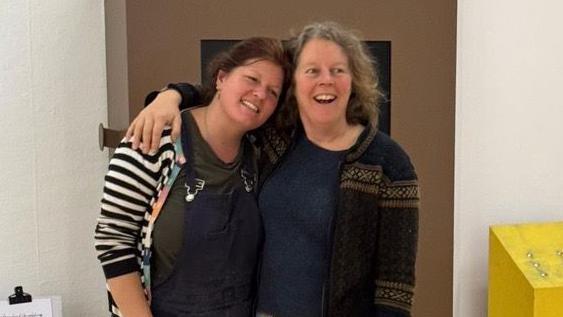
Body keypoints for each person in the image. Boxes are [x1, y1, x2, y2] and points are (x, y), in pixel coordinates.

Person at [128, 22, 419, 317]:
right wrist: (169, 97)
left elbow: (395, 288)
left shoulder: (388, 162)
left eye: (338, 70)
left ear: (354, 79)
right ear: (295, 84)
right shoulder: (275, 139)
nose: (325, 81)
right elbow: (229, 97)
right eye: (312, 70)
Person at [94, 37, 291, 317]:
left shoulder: (260, 154)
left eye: (273, 92)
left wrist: (174, 93)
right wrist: (170, 95)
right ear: (221, 77)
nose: (260, 94)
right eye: (251, 78)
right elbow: (113, 239)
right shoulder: (155, 138)